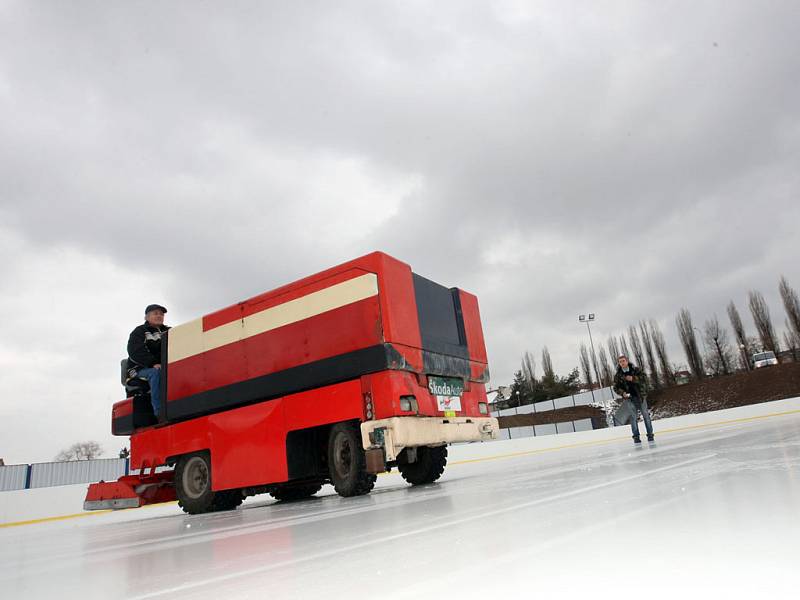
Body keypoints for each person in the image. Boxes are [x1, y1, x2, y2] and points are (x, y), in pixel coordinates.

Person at [127, 304, 170, 416]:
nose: (159, 316)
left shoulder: (170, 331)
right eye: (155, 313)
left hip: (164, 366)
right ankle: (159, 412)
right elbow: (135, 352)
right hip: (139, 369)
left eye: (161, 314)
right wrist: (152, 363)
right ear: (146, 317)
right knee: (156, 373)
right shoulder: (139, 331)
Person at [613, 354, 654, 444]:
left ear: (627, 361)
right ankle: (636, 437)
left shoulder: (636, 370)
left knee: (646, 416)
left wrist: (633, 378)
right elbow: (615, 388)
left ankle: (650, 434)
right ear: (619, 364)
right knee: (633, 418)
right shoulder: (618, 375)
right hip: (629, 399)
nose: (622, 363)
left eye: (623, 361)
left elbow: (645, 379)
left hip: (640, 396)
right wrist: (622, 393)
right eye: (620, 362)